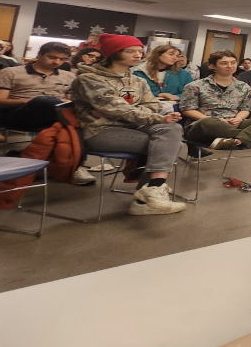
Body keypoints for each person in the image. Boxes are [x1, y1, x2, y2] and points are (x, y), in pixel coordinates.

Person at [70, 34, 186, 215]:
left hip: (132, 126)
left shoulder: (137, 80)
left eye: (140, 51)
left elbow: (151, 106)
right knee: (167, 144)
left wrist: (128, 112)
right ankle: (145, 200)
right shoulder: (89, 79)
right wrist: (131, 112)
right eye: (130, 51)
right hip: (100, 130)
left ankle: (152, 190)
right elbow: (115, 108)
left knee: (172, 130)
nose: (138, 55)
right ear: (114, 53)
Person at [180, 50, 251, 150]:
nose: (230, 66)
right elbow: (187, 109)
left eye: (233, 63)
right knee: (208, 122)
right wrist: (216, 120)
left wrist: (238, 119)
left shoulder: (243, 87)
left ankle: (238, 139)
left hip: (233, 123)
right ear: (213, 66)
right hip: (203, 125)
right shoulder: (195, 86)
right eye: (224, 63)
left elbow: (245, 109)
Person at [0, 42, 76, 133]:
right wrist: (31, 100)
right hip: (19, 113)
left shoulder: (69, 76)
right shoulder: (10, 72)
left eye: (62, 59)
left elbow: (71, 99)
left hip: (54, 114)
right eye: (52, 57)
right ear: (39, 55)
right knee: (45, 101)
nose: (56, 62)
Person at [133, 45, 194, 110]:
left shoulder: (183, 74)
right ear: (158, 55)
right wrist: (158, 95)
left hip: (174, 109)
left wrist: (176, 97)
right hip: (144, 108)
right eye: (171, 54)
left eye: (177, 56)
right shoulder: (138, 72)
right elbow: (132, 93)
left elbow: (191, 93)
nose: (175, 58)